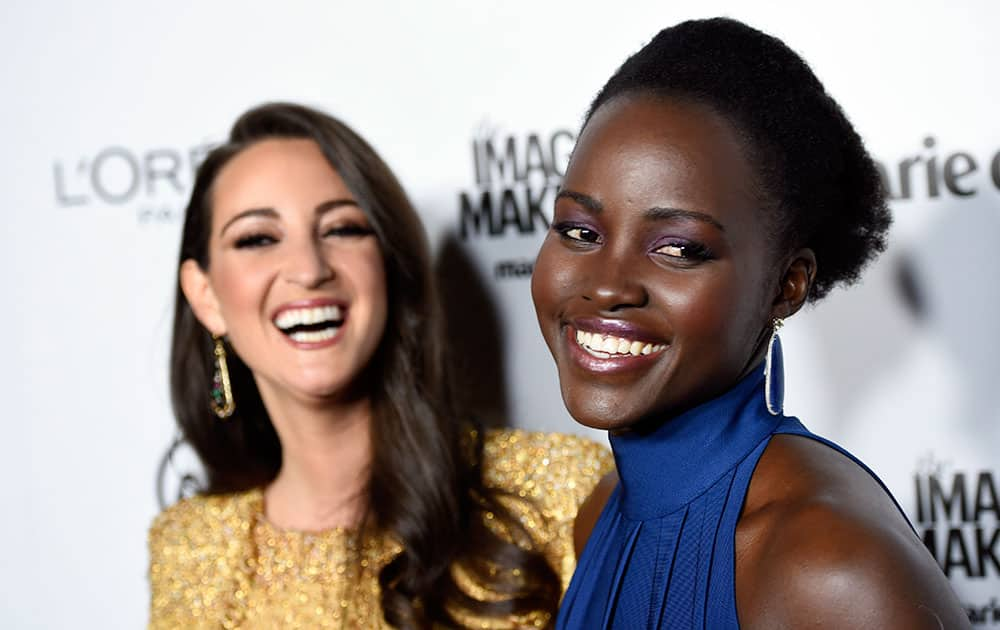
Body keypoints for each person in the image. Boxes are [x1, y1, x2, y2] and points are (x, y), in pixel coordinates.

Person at [531, 18, 970, 630]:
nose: (606, 285)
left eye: (679, 248)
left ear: (785, 285)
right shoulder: (598, 515)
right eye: (580, 232)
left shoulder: (830, 567)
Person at [148, 102, 613, 629]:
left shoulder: (555, 493)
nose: (308, 269)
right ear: (205, 296)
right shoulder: (190, 549)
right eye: (258, 238)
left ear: (389, 266)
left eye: (342, 228)